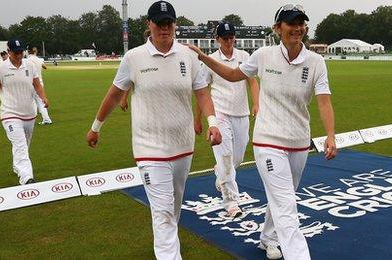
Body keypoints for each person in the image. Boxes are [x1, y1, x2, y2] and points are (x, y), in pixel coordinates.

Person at [187, 4, 337, 260]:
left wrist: (331, 135)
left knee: (283, 198)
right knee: (287, 205)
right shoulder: (264, 55)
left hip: (299, 142)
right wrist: (203, 57)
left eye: (301, 23)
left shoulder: (316, 62)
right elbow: (234, 75)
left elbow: (323, 100)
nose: (297, 28)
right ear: (278, 28)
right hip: (268, 141)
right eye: (291, 23)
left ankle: (268, 238)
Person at [86, 2, 222, 259]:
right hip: (149, 148)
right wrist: (96, 127)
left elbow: (202, 93)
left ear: (175, 25)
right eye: (159, 23)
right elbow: (115, 95)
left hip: (182, 146)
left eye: (169, 23)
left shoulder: (188, 55)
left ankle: (165, 246)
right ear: (148, 25)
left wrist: (213, 123)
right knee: (162, 212)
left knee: (173, 209)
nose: (164, 28)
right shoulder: (134, 57)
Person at [194, 21, 260, 218]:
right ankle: (231, 203)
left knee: (235, 159)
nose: (229, 41)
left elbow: (252, 81)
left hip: (241, 114)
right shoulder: (211, 60)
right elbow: (202, 91)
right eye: (225, 38)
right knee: (225, 158)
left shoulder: (244, 56)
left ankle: (220, 172)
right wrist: (198, 119)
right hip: (219, 114)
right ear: (217, 40)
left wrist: (257, 103)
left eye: (231, 37)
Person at [0, 38, 50, 185]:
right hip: (10, 113)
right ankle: (27, 178)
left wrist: (44, 97)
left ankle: (18, 166)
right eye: (16, 53)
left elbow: (37, 85)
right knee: (20, 144)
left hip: (29, 112)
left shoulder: (30, 65)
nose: (19, 55)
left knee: (24, 145)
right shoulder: (0, 68)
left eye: (21, 52)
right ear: (9, 52)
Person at [26, 47, 53, 125]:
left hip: (31, 83)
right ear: (35, 51)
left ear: (28, 52)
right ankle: (46, 119)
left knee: (29, 101)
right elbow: (45, 67)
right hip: (40, 83)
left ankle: (31, 117)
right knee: (40, 102)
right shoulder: (39, 59)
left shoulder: (27, 60)